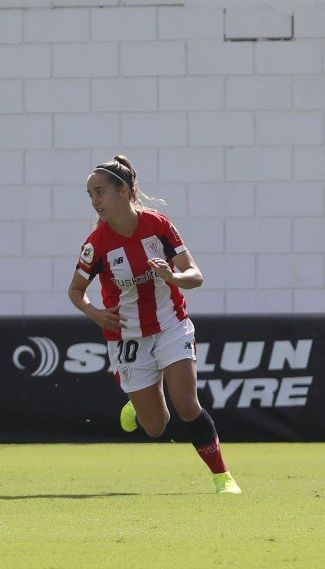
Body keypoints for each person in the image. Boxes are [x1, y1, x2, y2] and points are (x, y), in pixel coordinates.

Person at [67, 156, 241, 494]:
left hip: (171, 325)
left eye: (100, 192)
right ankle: (137, 402)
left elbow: (196, 275)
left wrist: (172, 276)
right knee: (156, 426)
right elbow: (75, 291)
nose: (95, 201)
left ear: (124, 191)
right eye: (90, 195)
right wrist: (95, 313)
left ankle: (223, 478)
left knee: (187, 404)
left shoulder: (158, 225)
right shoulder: (96, 244)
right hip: (127, 336)